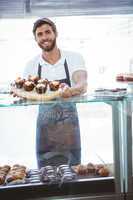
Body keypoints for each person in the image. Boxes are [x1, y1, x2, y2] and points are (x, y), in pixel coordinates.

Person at [23, 18, 88, 168]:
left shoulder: (74, 57)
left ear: (55, 33)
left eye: (48, 32)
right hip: (45, 131)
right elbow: (27, 92)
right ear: (36, 39)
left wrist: (69, 91)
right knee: (45, 177)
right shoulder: (31, 65)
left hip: (69, 130)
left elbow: (82, 84)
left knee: (72, 173)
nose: (44, 37)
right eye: (40, 34)